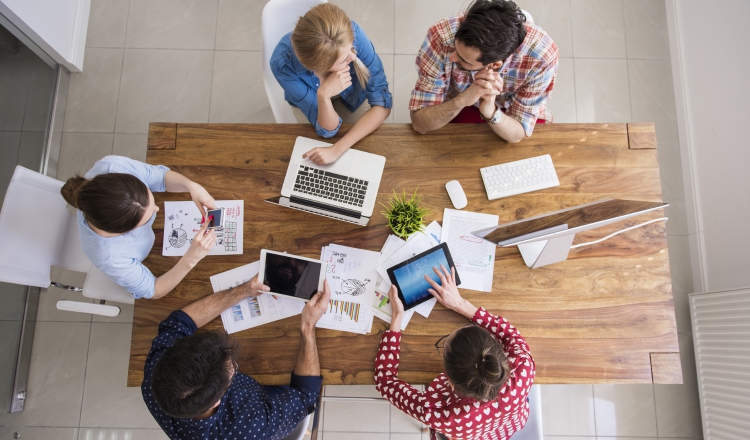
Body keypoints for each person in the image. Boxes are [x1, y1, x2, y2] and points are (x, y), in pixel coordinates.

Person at [142, 275, 331, 439]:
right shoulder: (251, 428)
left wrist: (242, 291)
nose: (233, 361)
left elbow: (177, 323)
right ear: (218, 400)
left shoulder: (157, 377)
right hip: (266, 399)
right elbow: (306, 395)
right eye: (233, 366)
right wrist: (308, 326)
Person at [374, 265, 535, 440]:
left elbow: (385, 380)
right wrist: (460, 304)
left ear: (449, 382)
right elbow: (511, 335)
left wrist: (397, 316)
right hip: (507, 425)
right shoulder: (523, 367)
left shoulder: (439, 414)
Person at [61, 155, 217, 300]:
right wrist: (191, 258)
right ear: (125, 232)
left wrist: (191, 186)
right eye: (147, 217)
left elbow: (161, 178)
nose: (156, 209)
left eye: (149, 195)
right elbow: (154, 289)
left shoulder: (113, 165)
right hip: (152, 259)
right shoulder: (110, 257)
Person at [409, 0, 558, 143]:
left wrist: (491, 111)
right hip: (461, 104)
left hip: (511, 110)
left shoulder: (542, 57)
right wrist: (462, 100)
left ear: (494, 65)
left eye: (464, 60)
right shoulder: (439, 36)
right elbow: (419, 124)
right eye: (455, 47)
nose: (452, 57)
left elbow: (517, 135)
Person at [271, 3, 392, 165]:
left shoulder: (350, 33)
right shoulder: (282, 64)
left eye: (350, 49)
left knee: (365, 150)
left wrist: (336, 150)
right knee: (315, 147)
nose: (353, 57)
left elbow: (382, 105)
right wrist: (324, 96)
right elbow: (327, 131)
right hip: (315, 101)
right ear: (320, 67)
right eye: (343, 60)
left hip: (354, 95)